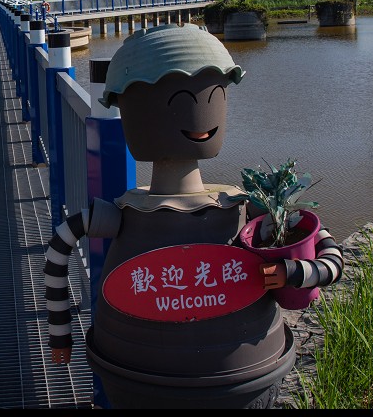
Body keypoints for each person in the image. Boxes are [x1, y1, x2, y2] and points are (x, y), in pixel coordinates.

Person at [43, 24, 343, 407]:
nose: (202, 111)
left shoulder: (241, 203)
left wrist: (294, 273)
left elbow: (322, 246)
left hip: (154, 370)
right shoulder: (233, 205)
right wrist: (60, 334)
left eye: (214, 95)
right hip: (227, 367)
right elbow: (59, 251)